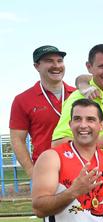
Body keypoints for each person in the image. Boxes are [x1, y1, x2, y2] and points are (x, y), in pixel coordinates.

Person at [51, 44, 103, 222]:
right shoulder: (79, 98)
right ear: (90, 67)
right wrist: (98, 142)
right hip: (88, 181)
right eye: (102, 66)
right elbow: (56, 143)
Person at [10, 45, 75, 177]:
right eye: (49, 61)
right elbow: (17, 140)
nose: (56, 65)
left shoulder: (78, 94)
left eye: (59, 61)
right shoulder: (22, 100)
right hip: (46, 170)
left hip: (80, 166)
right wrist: (32, 172)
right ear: (37, 66)